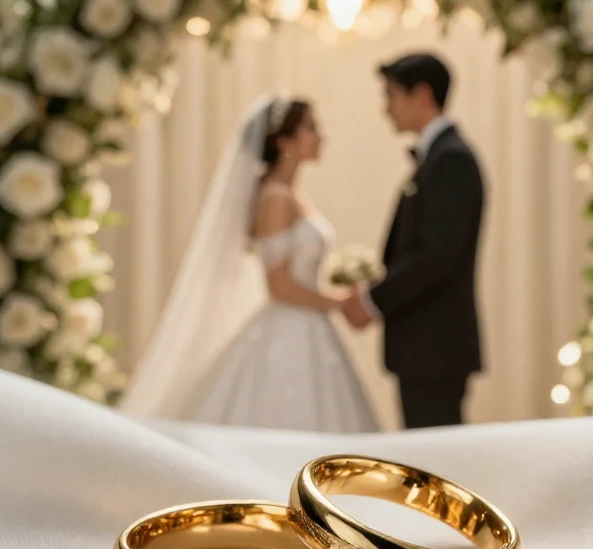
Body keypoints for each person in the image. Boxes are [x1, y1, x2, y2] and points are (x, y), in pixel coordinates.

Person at [119, 95, 379, 433]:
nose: (321, 137)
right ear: (285, 141)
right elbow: (279, 285)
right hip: (290, 329)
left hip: (309, 326)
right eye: (311, 129)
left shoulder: (290, 194)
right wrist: (337, 301)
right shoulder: (275, 198)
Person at [339, 52, 486, 429]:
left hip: (434, 345)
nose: (385, 109)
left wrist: (372, 300)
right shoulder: (438, 158)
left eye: (390, 95)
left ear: (421, 95)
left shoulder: (450, 160)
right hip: (425, 346)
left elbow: (437, 255)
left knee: (435, 462)